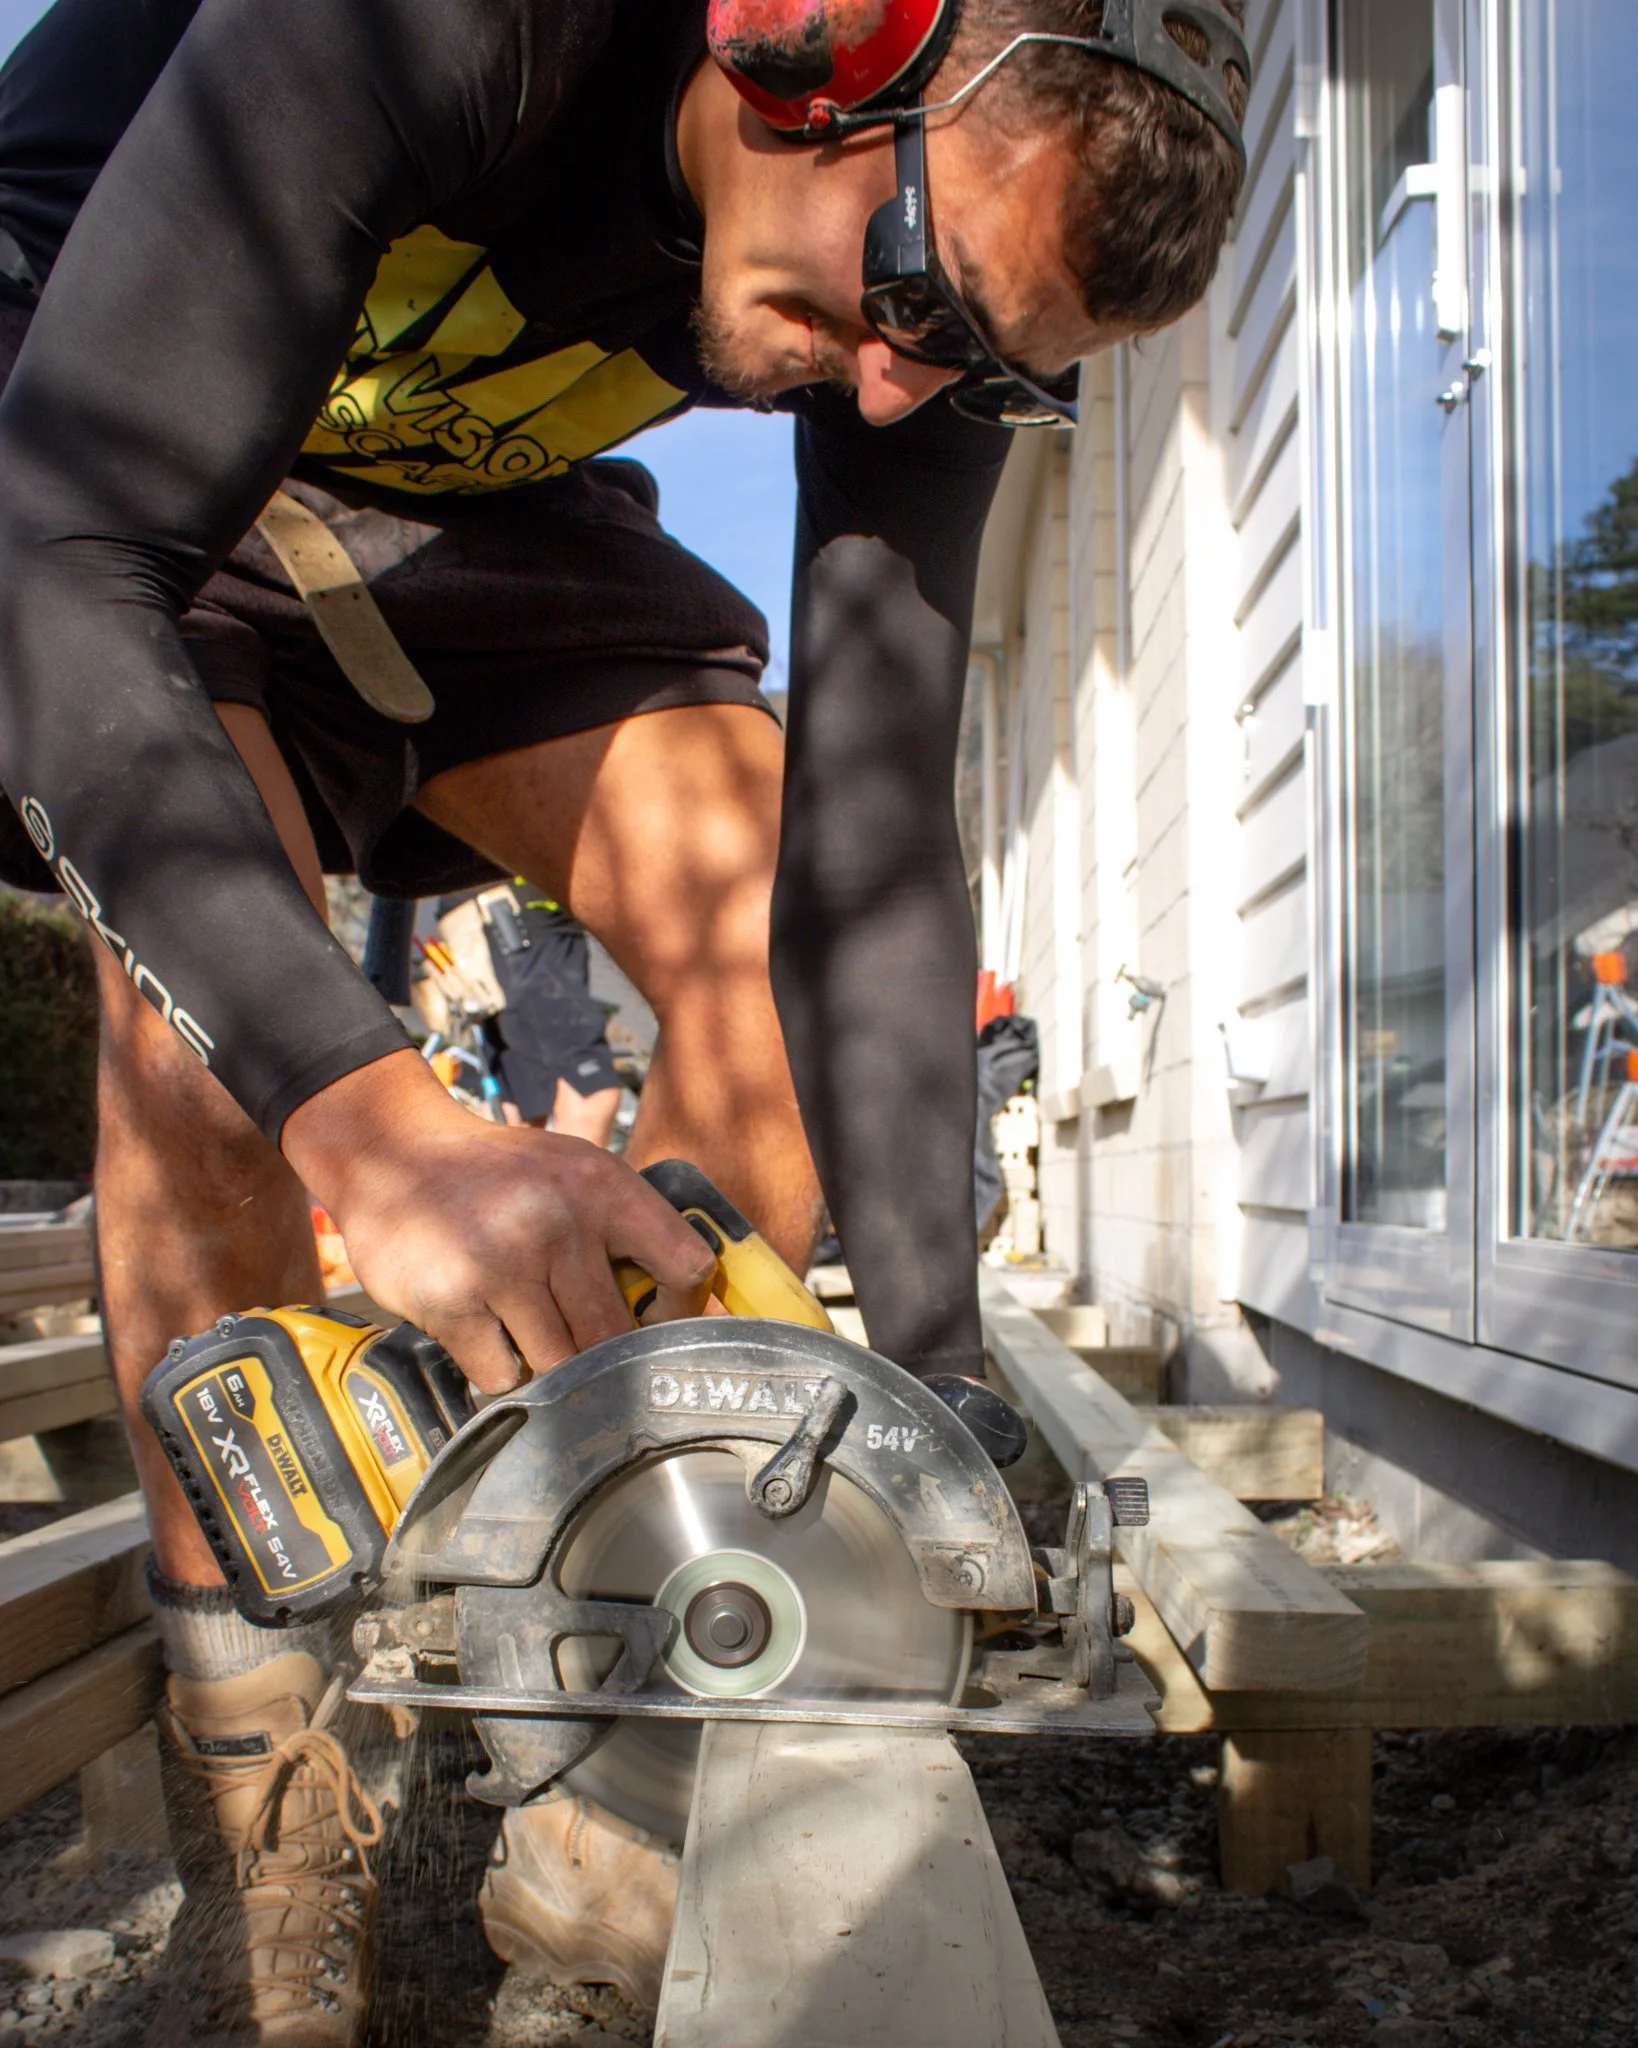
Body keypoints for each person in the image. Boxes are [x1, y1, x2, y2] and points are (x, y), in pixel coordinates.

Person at [0, 0, 1249, 2037]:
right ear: (802, 40)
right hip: (97, 426)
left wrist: (937, 1391)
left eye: (989, 367)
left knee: (754, 889)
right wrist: (378, 1124)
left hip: (444, 513)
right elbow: (60, 548)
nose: (896, 380)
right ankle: (266, 1776)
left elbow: (868, 847)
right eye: (913, 289)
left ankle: (627, 1752)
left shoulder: (908, 292)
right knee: (217, 1032)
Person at [436, 879, 628, 1145]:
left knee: (520, 1119)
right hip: (513, 916)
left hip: (513, 918)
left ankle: (514, 1187)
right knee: (590, 1093)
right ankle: (566, 1188)